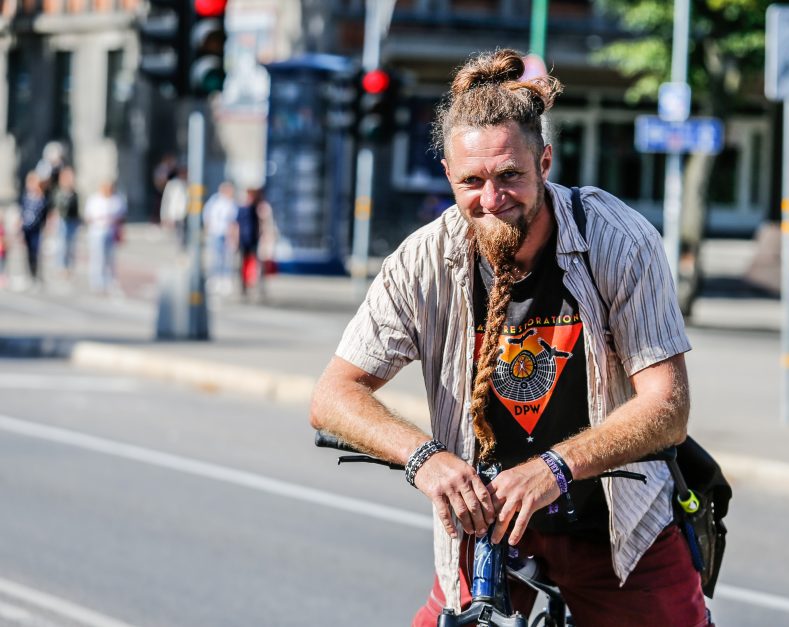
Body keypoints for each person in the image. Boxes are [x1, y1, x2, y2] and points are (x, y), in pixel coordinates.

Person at [308, 49, 708, 627]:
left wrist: (556, 467)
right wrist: (426, 458)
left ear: (544, 161)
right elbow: (333, 395)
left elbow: (667, 407)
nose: (491, 199)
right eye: (471, 180)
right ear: (448, 174)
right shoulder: (423, 259)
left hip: (614, 525)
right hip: (486, 531)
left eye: (510, 176)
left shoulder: (618, 240)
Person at [83, 180, 126, 294]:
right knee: (97, 257)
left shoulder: (117, 199)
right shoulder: (94, 199)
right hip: (97, 231)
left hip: (111, 231)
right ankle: (97, 282)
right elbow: (88, 217)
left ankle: (109, 281)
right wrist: (100, 219)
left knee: (110, 258)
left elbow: (121, 217)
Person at [235, 187, 273, 298]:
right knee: (242, 264)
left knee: (259, 263)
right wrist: (235, 239)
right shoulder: (242, 209)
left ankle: (260, 286)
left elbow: (263, 223)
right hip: (243, 240)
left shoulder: (258, 208)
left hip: (255, 240)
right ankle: (243, 287)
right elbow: (236, 225)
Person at [202, 181, 239, 292]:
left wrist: (233, 237)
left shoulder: (231, 203)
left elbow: (233, 222)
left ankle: (225, 279)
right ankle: (215, 278)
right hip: (215, 232)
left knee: (227, 258)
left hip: (226, 234)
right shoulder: (215, 201)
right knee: (216, 257)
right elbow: (207, 216)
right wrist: (207, 230)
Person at [20, 171, 49, 286]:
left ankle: (37, 275)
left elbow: (43, 214)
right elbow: (22, 211)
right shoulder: (26, 197)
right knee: (28, 252)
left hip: (37, 228)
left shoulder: (41, 198)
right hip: (26, 227)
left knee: (36, 251)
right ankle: (30, 274)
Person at [51, 166, 81, 277]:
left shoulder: (74, 193)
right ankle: (61, 266)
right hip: (62, 220)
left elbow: (77, 208)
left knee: (71, 245)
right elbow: (56, 206)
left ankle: (69, 266)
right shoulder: (59, 192)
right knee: (62, 244)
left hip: (72, 220)